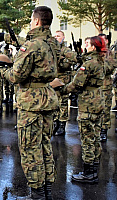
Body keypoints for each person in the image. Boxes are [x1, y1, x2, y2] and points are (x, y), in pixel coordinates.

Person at [0, 6, 59, 199]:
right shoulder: (53, 43)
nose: (31, 23)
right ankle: (46, 190)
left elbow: (15, 76)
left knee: (30, 149)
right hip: (47, 98)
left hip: (31, 102)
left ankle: (37, 194)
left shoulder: (31, 46)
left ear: (37, 21)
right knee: (45, 145)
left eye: (32, 20)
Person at [62, 36, 105, 184]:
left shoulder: (88, 64)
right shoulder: (100, 60)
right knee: (95, 137)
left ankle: (89, 174)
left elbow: (76, 84)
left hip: (88, 103)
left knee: (87, 138)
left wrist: (62, 89)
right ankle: (94, 169)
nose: (85, 46)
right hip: (98, 100)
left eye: (88, 44)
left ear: (93, 47)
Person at [53, 30, 77, 136]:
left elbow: (69, 63)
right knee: (54, 102)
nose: (56, 38)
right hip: (53, 80)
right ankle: (55, 123)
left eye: (58, 36)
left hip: (63, 80)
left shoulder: (66, 50)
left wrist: (61, 61)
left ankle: (62, 125)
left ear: (63, 38)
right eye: (55, 36)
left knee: (62, 102)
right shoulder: (52, 49)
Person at [98, 33, 115, 141]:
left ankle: (103, 130)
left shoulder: (110, 54)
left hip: (105, 86)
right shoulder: (96, 53)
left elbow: (109, 68)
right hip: (95, 86)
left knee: (105, 109)